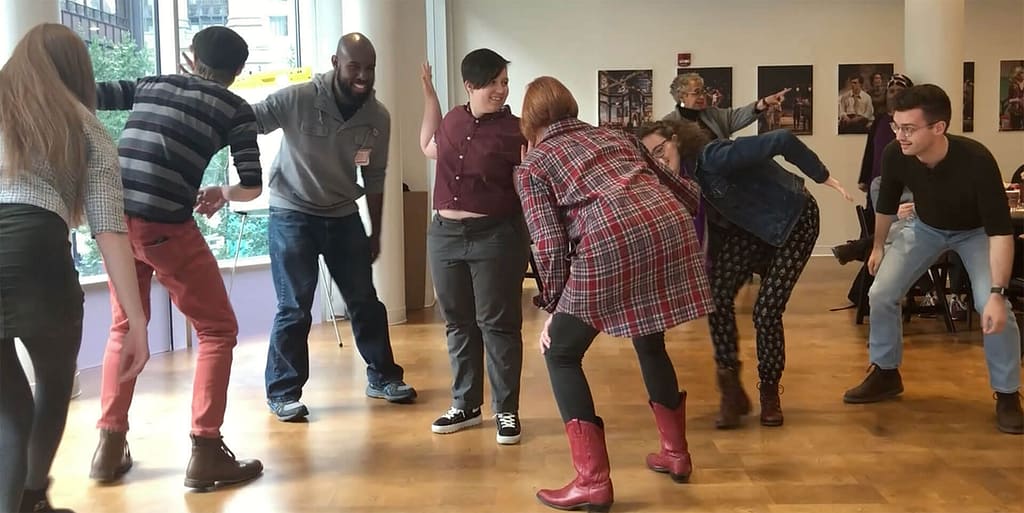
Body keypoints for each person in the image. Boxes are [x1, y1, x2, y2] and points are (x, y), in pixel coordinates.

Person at [517, 76, 712, 512]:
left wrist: (553, 305)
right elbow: (682, 191)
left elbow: (547, 244)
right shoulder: (614, 135)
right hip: (666, 228)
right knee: (650, 336)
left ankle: (592, 481)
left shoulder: (534, 166)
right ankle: (676, 454)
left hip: (610, 239)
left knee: (561, 353)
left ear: (529, 123)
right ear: (570, 106)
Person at [89, 26, 264, 489]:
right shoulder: (235, 109)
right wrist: (221, 192)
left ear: (191, 57)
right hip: (165, 225)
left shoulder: (153, 83)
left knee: (125, 325)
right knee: (217, 329)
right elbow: (252, 183)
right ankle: (206, 452)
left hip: (115, 220)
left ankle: (108, 449)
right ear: (238, 72)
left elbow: (88, 91)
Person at [0, 23, 149, 512]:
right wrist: (137, 322)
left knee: (9, 411)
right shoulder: (83, 124)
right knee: (53, 380)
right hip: (36, 252)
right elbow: (108, 229)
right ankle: (30, 496)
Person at [638, 121, 852, 428]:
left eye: (661, 149)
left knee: (766, 311)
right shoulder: (677, 184)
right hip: (750, 229)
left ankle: (769, 393)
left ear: (676, 140)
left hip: (793, 220)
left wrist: (823, 175)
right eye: (651, 157)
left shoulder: (713, 157)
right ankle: (731, 392)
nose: (660, 159)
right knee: (716, 297)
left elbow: (781, 139)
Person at [253, 32, 417, 421]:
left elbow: (375, 177)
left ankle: (382, 377)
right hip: (292, 212)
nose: (363, 75)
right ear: (335, 62)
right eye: (354, 66)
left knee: (365, 301)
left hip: (343, 214)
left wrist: (375, 231)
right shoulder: (299, 99)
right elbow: (248, 120)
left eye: (370, 68)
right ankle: (283, 391)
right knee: (294, 306)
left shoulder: (377, 117)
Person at [843, 84, 1023, 435]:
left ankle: (1006, 393)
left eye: (908, 128)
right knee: (880, 294)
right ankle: (885, 372)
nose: (899, 135)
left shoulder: (977, 160)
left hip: (975, 234)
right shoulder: (896, 154)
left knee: (992, 307)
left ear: (938, 128)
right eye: (896, 126)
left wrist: (999, 294)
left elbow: (1000, 232)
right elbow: (885, 205)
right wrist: (878, 246)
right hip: (925, 227)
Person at [418, 50, 529, 444]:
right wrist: (430, 96)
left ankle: (507, 411)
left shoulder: (518, 130)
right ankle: (465, 404)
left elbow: (527, 184)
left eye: (504, 82)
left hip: (495, 236)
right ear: (470, 84)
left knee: (498, 325)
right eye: (493, 82)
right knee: (458, 322)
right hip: (444, 235)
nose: (501, 89)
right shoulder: (453, 118)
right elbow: (429, 147)